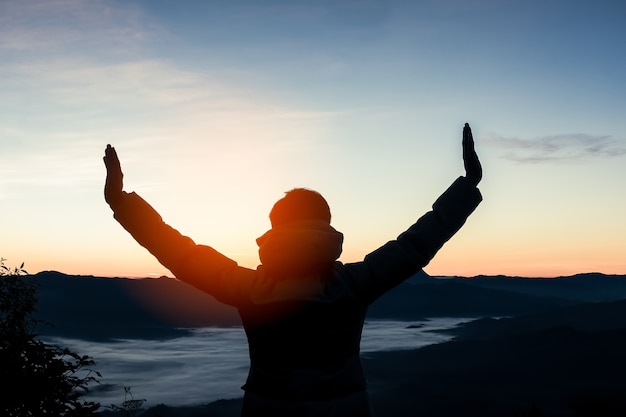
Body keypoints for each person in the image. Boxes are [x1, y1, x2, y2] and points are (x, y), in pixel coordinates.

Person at [103, 123, 483, 416]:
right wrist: (466, 187)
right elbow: (416, 244)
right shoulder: (353, 285)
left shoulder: (249, 288)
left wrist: (123, 204)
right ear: (327, 228)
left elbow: (179, 252)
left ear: (274, 231)